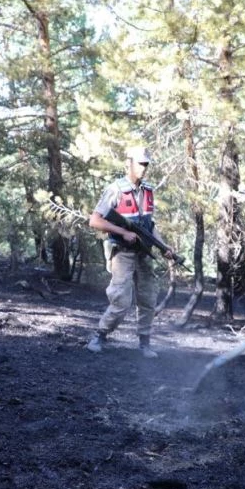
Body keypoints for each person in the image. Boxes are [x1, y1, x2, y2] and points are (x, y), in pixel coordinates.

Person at [86, 145, 175, 359]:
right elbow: (95, 220)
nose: (144, 168)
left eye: (147, 164)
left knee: (148, 298)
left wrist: (164, 247)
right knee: (121, 300)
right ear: (130, 164)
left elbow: (150, 225)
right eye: (140, 163)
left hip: (144, 252)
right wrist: (121, 232)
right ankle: (100, 335)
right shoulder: (116, 189)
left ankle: (144, 342)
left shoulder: (148, 191)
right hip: (123, 253)